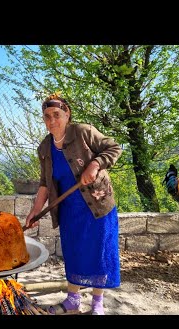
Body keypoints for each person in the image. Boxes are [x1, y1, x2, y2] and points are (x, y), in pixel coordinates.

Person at [25, 93, 122, 315]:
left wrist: (95, 164)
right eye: (47, 116)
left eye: (56, 115)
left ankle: (97, 303)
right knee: (74, 252)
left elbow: (114, 148)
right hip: (69, 210)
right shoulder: (44, 148)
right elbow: (44, 184)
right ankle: (73, 299)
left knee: (99, 252)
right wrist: (35, 211)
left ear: (67, 114)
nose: (52, 121)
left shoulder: (83, 132)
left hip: (97, 207)